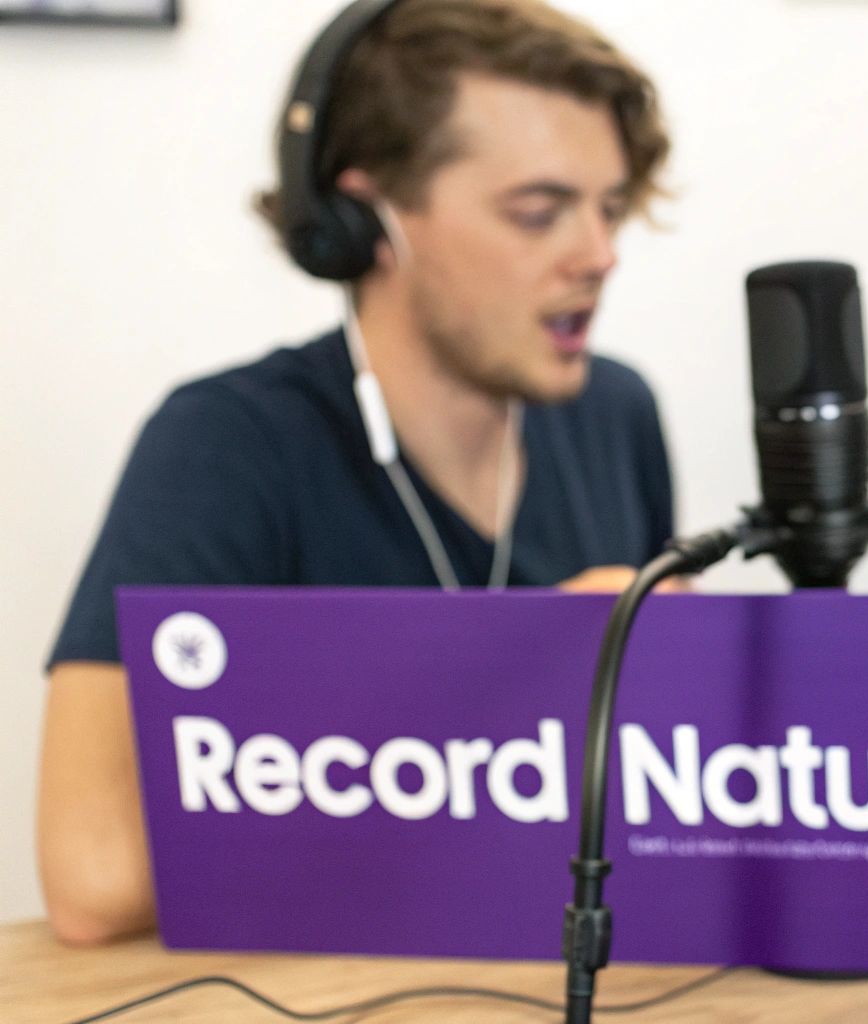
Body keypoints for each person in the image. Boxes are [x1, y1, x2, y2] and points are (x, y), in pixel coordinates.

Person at [37, 0, 674, 945]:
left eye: (611, 208)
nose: (598, 255)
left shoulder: (615, 416)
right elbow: (95, 875)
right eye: (540, 212)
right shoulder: (226, 446)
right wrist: (510, 693)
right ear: (365, 217)